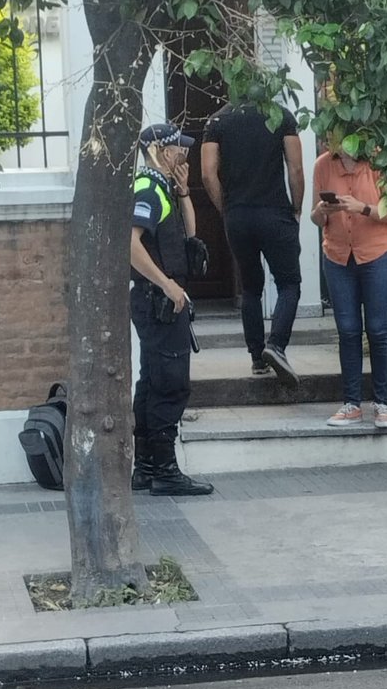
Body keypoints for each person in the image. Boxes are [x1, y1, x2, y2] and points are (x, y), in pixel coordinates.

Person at [129, 123, 213, 496]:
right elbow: (130, 244)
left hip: (163, 300)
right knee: (169, 383)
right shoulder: (147, 186)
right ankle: (164, 470)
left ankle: (146, 467)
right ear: (157, 152)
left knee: (153, 381)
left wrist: (183, 192)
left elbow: (189, 237)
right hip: (158, 300)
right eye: (177, 148)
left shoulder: (164, 188)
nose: (184, 154)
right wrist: (166, 283)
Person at [201, 99, 304, 385]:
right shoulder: (280, 115)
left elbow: (208, 173)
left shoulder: (217, 120)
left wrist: (227, 208)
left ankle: (257, 358)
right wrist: (296, 208)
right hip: (275, 213)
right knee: (288, 283)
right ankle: (277, 346)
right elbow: (295, 168)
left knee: (250, 287)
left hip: (238, 216)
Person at [310, 140, 387, 429]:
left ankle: (382, 404)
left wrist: (362, 208)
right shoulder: (323, 164)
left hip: (378, 253)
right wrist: (324, 210)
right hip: (338, 256)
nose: (333, 139)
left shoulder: (381, 159)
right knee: (348, 330)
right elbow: (315, 219)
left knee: (378, 328)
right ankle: (351, 404)